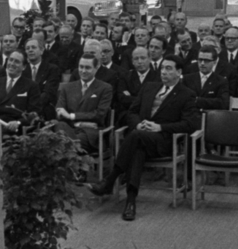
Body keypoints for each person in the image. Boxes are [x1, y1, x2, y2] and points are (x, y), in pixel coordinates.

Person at [88, 57, 200, 221]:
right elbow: (132, 112)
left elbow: (190, 124)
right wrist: (138, 124)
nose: (164, 72)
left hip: (163, 141)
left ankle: (111, 179)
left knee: (135, 137)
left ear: (179, 72)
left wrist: (160, 127)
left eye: (169, 68)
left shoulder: (187, 94)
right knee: (137, 149)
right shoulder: (149, 87)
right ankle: (130, 201)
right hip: (141, 137)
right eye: (162, 68)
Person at [54, 53, 114, 156]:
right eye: (81, 67)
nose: (83, 71)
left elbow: (99, 115)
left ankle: (69, 162)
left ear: (96, 68)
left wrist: (71, 116)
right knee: (59, 127)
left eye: (87, 67)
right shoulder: (67, 88)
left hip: (91, 134)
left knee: (66, 143)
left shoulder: (105, 88)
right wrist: (79, 124)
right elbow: (59, 112)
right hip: (70, 128)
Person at [0, 50, 40, 132]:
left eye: (17, 61)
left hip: (16, 131)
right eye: (10, 60)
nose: (12, 63)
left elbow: (34, 114)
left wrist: (18, 122)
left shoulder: (31, 86)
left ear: (24, 67)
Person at [24, 38, 61, 116]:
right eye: (27, 48)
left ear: (42, 50)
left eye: (33, 47)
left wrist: (33, 106)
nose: (30, 50)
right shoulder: (22, 69)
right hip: (24, 109)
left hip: (44, 109)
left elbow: (48, 93)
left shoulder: (52, 69)